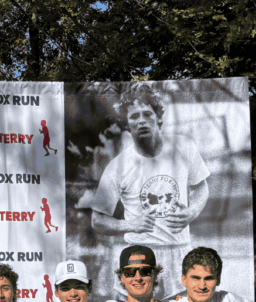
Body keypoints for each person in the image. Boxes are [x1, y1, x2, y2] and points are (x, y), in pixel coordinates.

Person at [86, 84, 210, 282]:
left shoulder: (184, 147)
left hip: (180, 251)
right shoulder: (118, 166)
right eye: (134, 116)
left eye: (147, 114)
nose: (142, 121)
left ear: (158, 117)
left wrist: (192, 211)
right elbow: (98, 221)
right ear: (126, 124)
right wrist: (130, 225)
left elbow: (200, 187)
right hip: (139, 257)